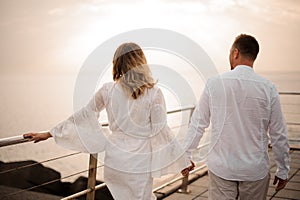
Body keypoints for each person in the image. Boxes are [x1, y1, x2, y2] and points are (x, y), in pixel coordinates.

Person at [24, 42, 189, 200]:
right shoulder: (154, 92)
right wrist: (181, 160)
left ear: (117, 63)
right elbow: (161, 130)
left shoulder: (108, 90)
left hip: (115, 159)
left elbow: (84, 115)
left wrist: (50, 133)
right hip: (139, 160)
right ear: (141, 62)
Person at [181, 34, 290, 200]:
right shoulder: (268, 88)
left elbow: (198, 124)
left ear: (235, 53)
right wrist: (283, 169)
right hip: (255, 170)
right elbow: (278, 133)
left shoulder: (214, 83)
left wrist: (186, 156)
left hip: (221, 168)